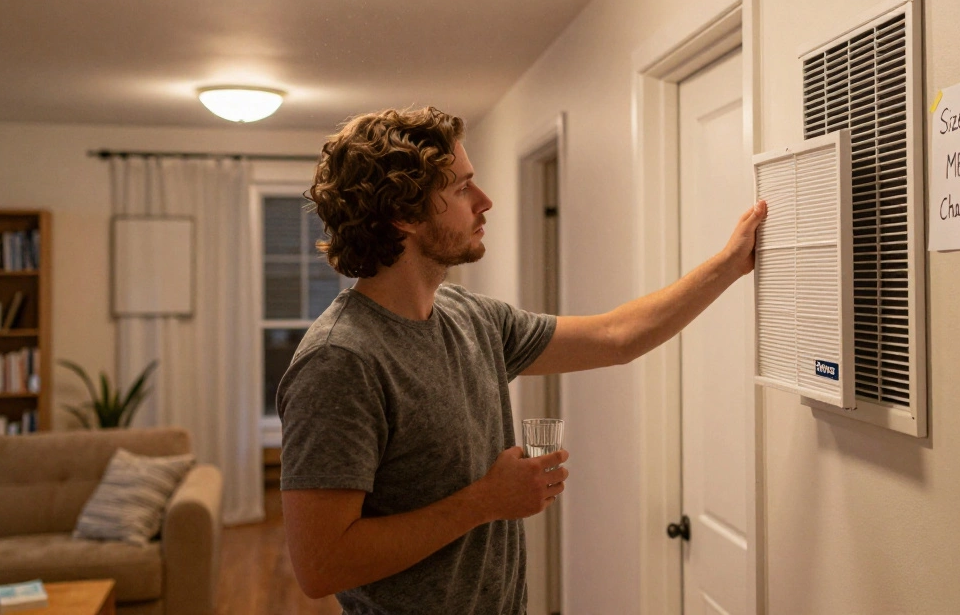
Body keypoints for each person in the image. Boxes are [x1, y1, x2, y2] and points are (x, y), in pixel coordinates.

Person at [278, 106, 766, 614]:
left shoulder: (471, 317)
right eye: (463, 188)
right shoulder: (340, 359)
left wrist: (730, 264)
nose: (485, 202)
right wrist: (485, 501)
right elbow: (321, 565)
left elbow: (617, 336)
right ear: (405, 215)